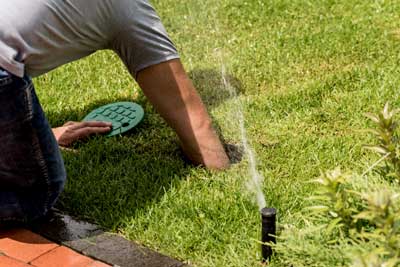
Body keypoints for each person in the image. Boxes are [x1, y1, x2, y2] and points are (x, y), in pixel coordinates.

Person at [0, 0, 229, 223]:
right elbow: (191, 119)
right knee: (36, 193)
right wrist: (228, 174)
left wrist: (42, 135)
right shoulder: (128, 9)